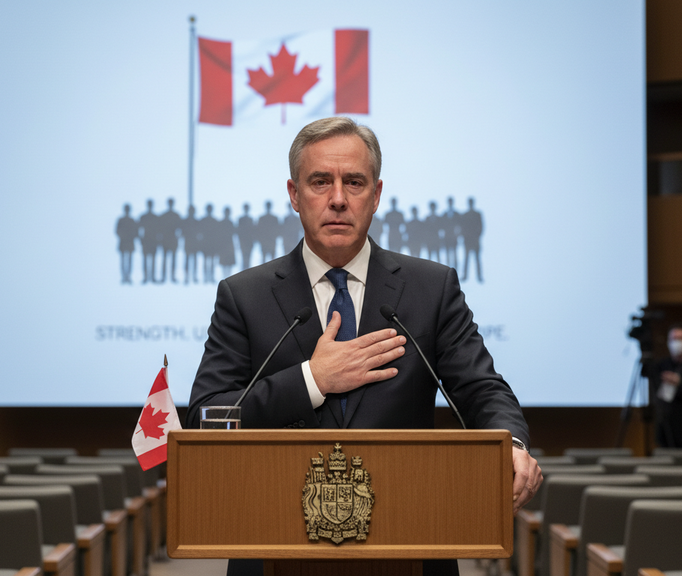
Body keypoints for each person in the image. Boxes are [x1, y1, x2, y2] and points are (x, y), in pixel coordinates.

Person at [187, 117, 540, 576]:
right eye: (320, 182)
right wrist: (312, 380)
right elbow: (207, 416)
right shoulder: (244, 296)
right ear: (294, 194)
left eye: (354, 182)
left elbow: (481, 389)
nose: (338, 198)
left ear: (375, 195)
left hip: (411, 540)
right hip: (274, 545)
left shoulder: (430, 288)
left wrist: (511, 443)